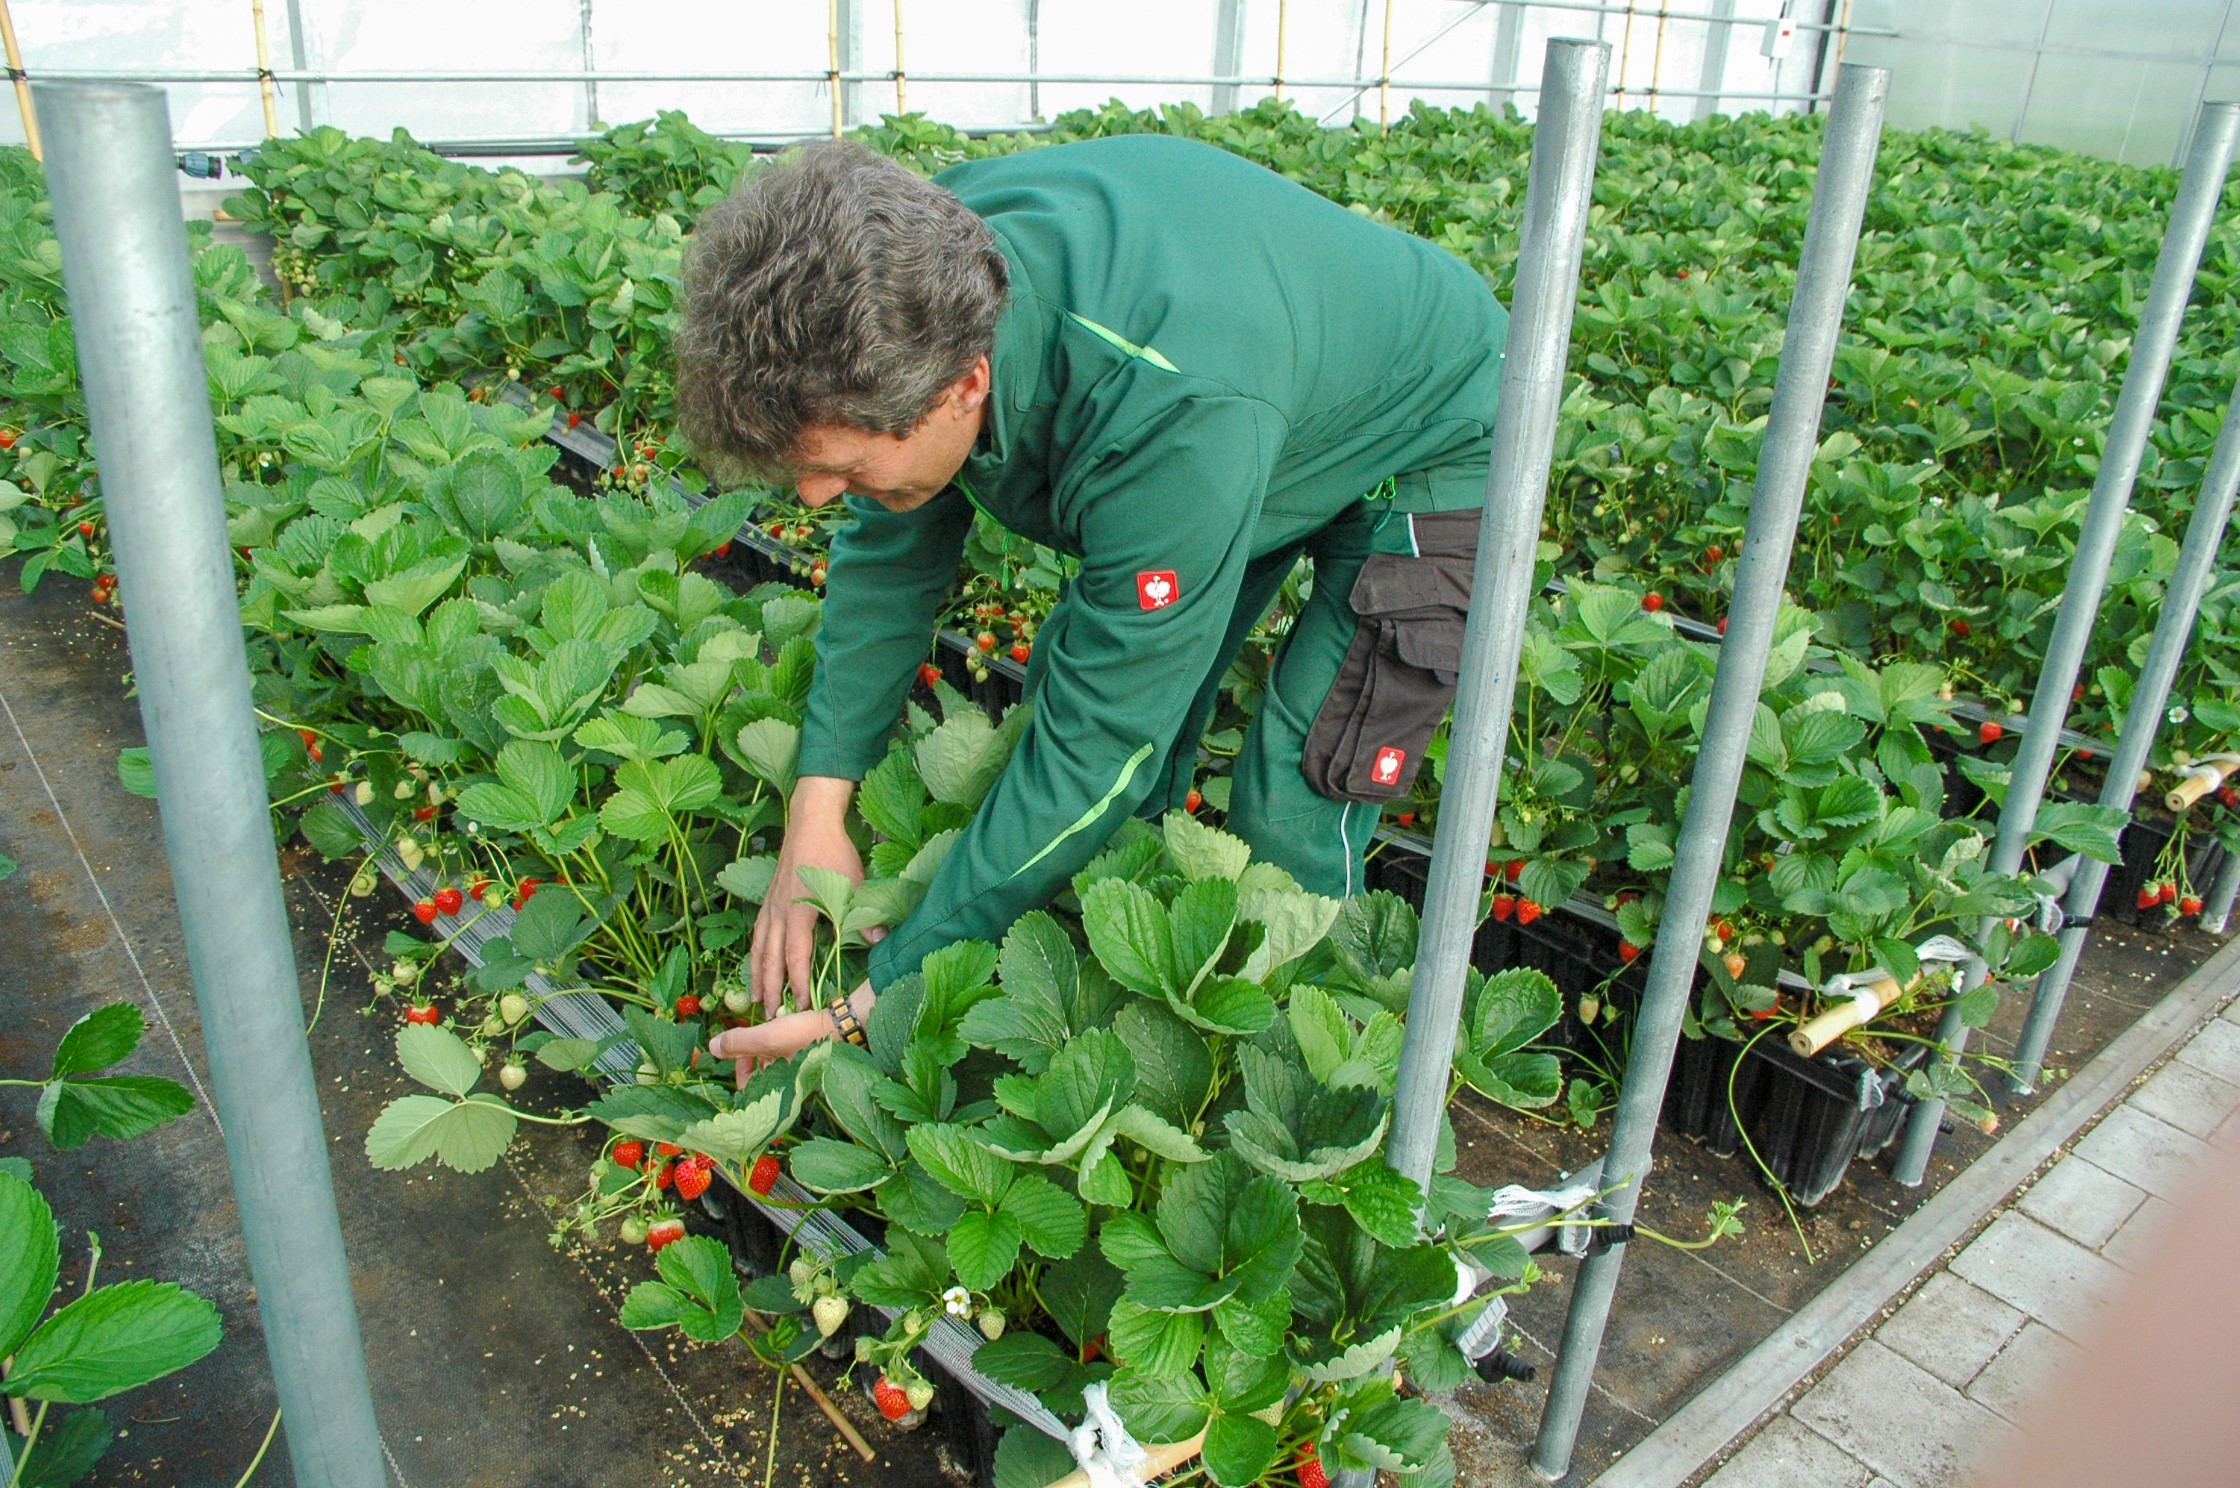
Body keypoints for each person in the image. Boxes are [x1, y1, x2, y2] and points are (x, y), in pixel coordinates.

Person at [682, 135, 1508, 1077]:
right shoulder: (898, 274)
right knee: (1128, 753)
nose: (816, 501)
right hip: (1266, 388)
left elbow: (1097, 738)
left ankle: (1305, 1076)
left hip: (1438, 427)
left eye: (842, 470)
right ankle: (1128, 1017)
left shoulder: (1161, 410)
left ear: (965, 387)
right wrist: (816, 810)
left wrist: (878, 998)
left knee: (1294, 795)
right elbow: (889, 555)